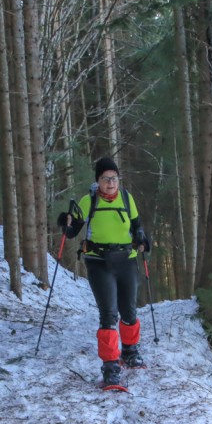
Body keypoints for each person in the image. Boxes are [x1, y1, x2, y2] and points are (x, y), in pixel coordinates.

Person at [57, 157, 151, 387]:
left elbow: (137, 225)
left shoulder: (127, 199)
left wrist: (141, 237)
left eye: (114, 178)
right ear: (97, 181)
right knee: (109, 313)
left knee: (129, 311)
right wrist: (65, 223)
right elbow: (72, 231)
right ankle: (110, 366)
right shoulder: (88, 201)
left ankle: (129, 352)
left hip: (126, 260)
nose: (110, 183)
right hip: (98, 262)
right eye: (105, 179)